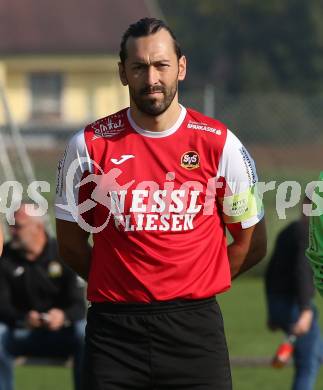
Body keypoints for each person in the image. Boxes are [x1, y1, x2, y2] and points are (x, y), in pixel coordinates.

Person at [55, 18, 267, 390]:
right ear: (123, 73)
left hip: (194, 332)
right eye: (139, 67)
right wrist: (121, 283)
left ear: (180, 68)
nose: (151, 77)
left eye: (161, 65)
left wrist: (197, 283)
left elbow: (251, 243)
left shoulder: (220, 144)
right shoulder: (87, 147)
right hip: (114, 335)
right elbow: (71, 245)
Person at [0, 203, 86, 390]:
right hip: (22, 333)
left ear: (38, 227)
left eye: (18, 226)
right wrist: (24, 318)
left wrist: (62, 316)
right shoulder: (5, 258)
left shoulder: (63, 254)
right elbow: (2, 306)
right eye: (10, 226)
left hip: (62, 333)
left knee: (85, 333)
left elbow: (79, 306)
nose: (12, 231)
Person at [265, 197, 323, 390]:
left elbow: (270, 273)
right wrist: (305, 310)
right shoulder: (307, 233)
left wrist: (272, 313)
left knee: (317, 352)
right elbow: (302, 270)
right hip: (296, 307)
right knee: (308, 364)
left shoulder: (288, 231)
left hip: (280, 304)